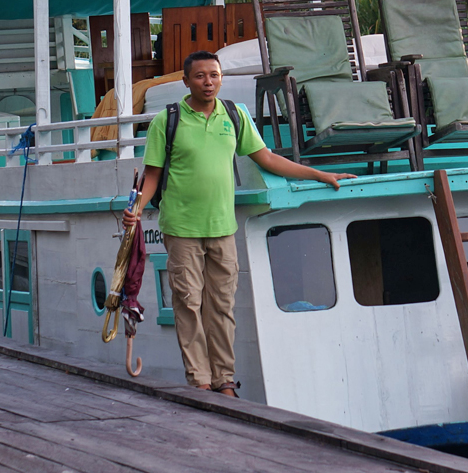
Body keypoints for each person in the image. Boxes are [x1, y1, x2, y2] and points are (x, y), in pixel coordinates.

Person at [123, 50, 355, 396]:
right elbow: (153, 175)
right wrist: (136, 209)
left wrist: (319, 174)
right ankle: (200, 380)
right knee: (188, 304)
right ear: (185, 81)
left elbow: (268, 158)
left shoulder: (234, 115)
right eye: (200, 76)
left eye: (214, 75)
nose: (208, 82)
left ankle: (224, 380)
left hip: (222, 228)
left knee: (222, 306)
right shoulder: (167, 121)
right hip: (182, 228)